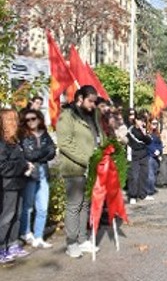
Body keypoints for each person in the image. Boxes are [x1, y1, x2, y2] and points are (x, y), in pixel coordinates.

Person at [56, 86, 103, 258]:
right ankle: (71, 242)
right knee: (74, 206)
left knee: (85, 205)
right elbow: (65, 143)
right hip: (74, 168)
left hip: (91, 169)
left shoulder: (92, 115)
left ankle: (82, 240)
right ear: (80, 98)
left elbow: (98, 137)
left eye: (95, 101)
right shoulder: (66, 116)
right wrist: (87, 159)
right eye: (90, 101)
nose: (93, 104)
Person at [19, 109, 56, 249]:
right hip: (31, 173)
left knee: (43, 207)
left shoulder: (45, 134)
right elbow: (29, 156)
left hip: (43, 173)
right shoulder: (23, 136)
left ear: (39, 119)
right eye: (27, 120)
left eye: (33, 118)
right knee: (28, 206)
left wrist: (41, 153)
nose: (30, 122)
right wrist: (45, 152)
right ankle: (26, 232)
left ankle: (39, 236)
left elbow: (52, 152)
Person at [0, 109, 33, 264]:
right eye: (11, 119)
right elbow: (3, 167)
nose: (15, 122)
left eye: (15, 119)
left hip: (19, 182)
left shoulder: (14, 140)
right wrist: (23, 165)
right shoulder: (2, 143)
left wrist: (26, 165)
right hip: (8, 185)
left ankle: (13, 244)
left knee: (17, 215)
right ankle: (1, 248)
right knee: (7, 216)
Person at [127, 113, 152, 204]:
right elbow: (135, 141)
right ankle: (132, 195)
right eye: (140, 120)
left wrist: (145, 133)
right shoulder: (131, 130)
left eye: (143, 121)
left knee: (144, 175)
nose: (141, 123)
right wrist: (144, 137)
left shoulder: (145, 130)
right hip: (135, 154)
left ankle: (143, 194)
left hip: (144, 154)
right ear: (136, 120)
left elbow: (149, 141)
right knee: (134, 176)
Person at [145, 119, 163, 200]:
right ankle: (148, 192)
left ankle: (151, 189)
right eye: (153, 123)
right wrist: (154, 150)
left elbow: (160, 143)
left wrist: (159, 150)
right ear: (149, 124)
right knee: (150, 175)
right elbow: (147, 144)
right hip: (149, 156)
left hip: (156, 156)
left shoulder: (156, 133)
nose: (155, 125)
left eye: (156, 123)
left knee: (155, 173)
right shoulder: (146, 134)